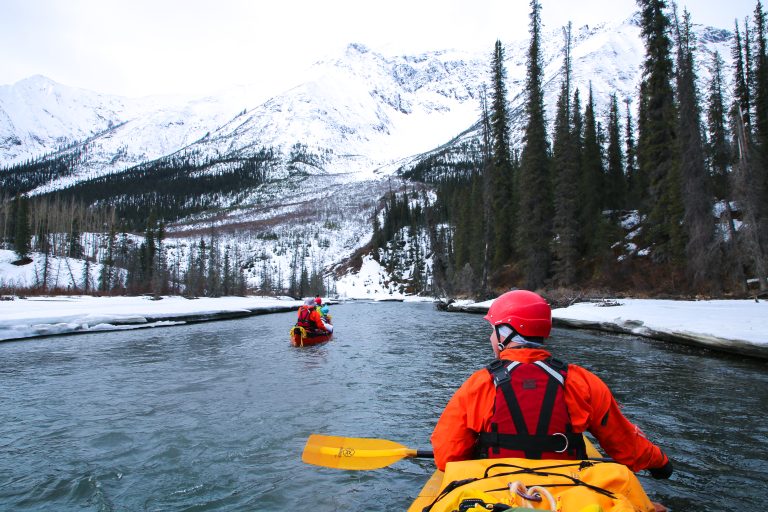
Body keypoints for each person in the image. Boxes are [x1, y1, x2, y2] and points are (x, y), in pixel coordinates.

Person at [431, 290, 673, 480]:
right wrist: (660, 463)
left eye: (493, 330)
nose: (490, 337)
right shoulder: (582, 382)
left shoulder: (480, 384)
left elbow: (447, 455)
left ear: (507, 333)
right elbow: (626, 445)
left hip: (496, 488)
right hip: (566, 488)